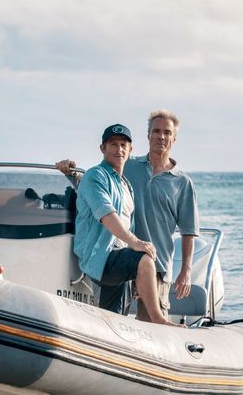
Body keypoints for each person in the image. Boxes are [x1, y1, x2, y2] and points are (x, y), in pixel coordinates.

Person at [58, 110, 199, 322]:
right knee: (117, 319)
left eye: (167, 133)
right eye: (156, 131)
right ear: (148, 136)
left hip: (156, 263)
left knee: (150, 325)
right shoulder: (127, 166)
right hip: (121, 254)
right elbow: (97, 184)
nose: (161, 136)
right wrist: (71, 172)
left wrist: (185, 271)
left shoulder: (182, 183)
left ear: (174, 138)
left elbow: (189, 232)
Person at [73, 123, 178, 326]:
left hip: (118, 258)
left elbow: (126, 224)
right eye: (113, 144)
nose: (119, 149)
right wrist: (136, 243)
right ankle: (158, 319)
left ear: (130, 150)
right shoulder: (96, 176)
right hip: (101, 258)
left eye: (123, 145)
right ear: (102, 148)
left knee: (114, 321)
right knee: (145, 259)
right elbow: (106, 215)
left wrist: (131, 247)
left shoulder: (125, 186)